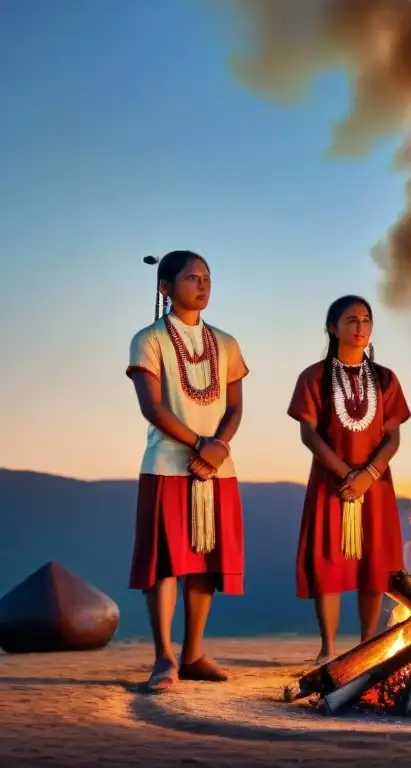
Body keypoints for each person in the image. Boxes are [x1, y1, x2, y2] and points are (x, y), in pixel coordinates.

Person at [126, 250, 249, 693]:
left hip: (218, 467)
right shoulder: (149, 339)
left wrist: (218, 448)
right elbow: (152, 406)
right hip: (167, 465)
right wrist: (200, 445)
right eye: (192, 277)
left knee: (204, 562)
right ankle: (165, 658)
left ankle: (194, 653)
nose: (203, 284)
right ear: (165, 287)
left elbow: (235, 408)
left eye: (207, 277)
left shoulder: (228, 342)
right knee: (165, 563)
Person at [287, 295, 411, 663]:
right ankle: (327, 650)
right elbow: (309, 434)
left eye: (366, 320)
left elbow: (393, 436)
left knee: (373, 563)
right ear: (333, 327)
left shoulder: (386, 378)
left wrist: (368, 476)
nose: (360, 327)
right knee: (328, 561)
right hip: (332, 483)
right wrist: (346, 476)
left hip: (375, 485)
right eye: (351, 320)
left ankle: (367, 646)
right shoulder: (314, 377)